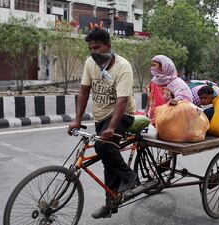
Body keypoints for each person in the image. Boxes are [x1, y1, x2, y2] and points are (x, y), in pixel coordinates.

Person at [67, 28, 137, 219]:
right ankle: (111, 203)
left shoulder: (123, 66)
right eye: (90, 48)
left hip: (122, 115)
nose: (93, 52)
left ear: (108, 46)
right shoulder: (90, 63)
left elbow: (122, 101)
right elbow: (83, 91)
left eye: (97, 47)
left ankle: (130, 176)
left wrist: (113, 127)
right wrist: (77, 119)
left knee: (103, 147)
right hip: (101, 117)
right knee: (108, 158)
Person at [144, 55, 193, 124]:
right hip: (154, 121)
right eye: (151, 65)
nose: (152, 68)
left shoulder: (176, 83)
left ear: (164, 67)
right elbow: (150, 100)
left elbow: (186, 99)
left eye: (154, 65)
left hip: (172, 121)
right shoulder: (154, 81)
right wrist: (146, 113)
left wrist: (175, 100)